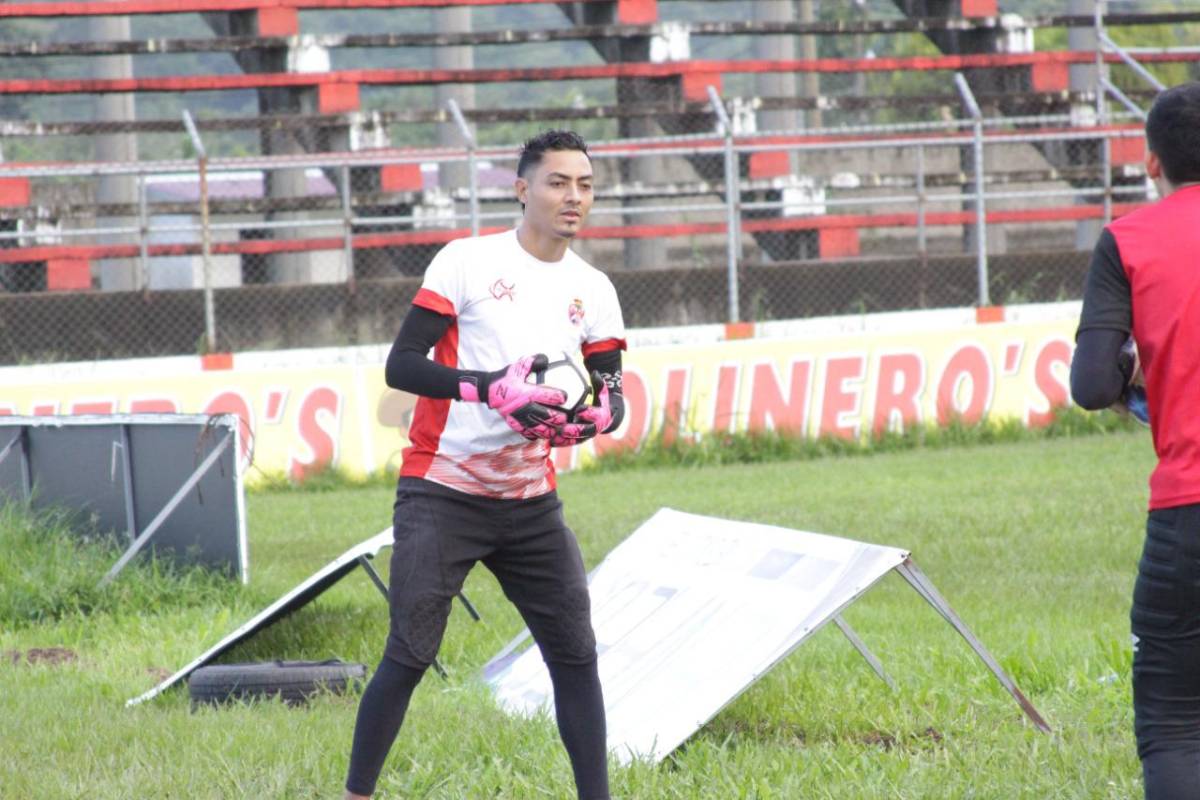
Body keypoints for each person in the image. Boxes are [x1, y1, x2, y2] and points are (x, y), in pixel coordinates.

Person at [343, 130, 625, 800]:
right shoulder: (465, 262)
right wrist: (487, 387)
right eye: (558, 182)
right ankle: (356, 795)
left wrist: (595, 419)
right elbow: (401, 364)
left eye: (584, 185)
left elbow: (613, 392)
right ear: (522, 189)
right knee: (410, 654)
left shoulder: (594, 288)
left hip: (531, 502)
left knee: (577, 656)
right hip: (442, 491)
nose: (573, 197)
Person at [1070, 82, 1200, 799]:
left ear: (1152, 163)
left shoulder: (1128, 238)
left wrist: (1134, 388)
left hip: (1188, 508)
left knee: (1177, 725)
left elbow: (1091, 384)